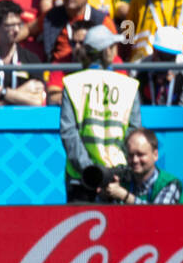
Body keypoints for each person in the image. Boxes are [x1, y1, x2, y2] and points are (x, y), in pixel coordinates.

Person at [58, 24, 142, 201]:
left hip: (81, 178)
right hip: (117, 177)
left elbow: (68, 133)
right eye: (114, 46)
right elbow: (133, 132)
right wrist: (113, 173)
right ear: (107, 51)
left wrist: (91, 172)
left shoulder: (72, 83)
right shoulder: (128, 85)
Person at [106, 126, 183, 204]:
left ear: (155, 155)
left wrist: (125, 196)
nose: (135, 160)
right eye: (130, 155)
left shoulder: (170, 183)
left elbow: (158, 214)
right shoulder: (122, 180)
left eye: (140, 154)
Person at [135, 24, 183, 106]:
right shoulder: (137, 70)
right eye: (162, 56)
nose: (166, 62)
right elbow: (134, 111)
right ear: (154, 51)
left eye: (171, 57)